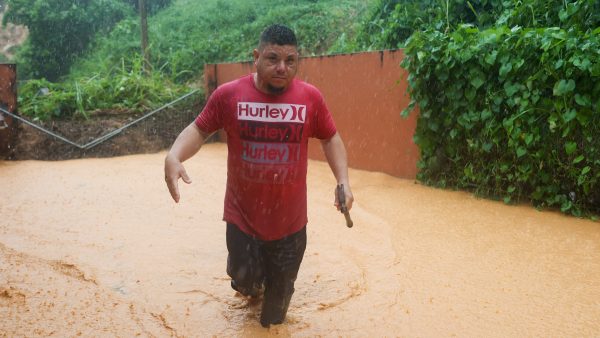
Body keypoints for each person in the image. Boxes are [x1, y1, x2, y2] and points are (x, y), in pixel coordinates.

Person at [164, 24, 353, 328]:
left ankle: (271, 290)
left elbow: (331, 138)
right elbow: (200, 129)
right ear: (256, 56)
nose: (282, 68)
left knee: (273, 321)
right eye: (272, 59)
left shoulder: (310, 99)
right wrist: (174, 155)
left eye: (290, 61)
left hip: (291, 228)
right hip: (243, 222)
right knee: (245, 284)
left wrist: (342, 181)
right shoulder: (229, 95)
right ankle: (248, 279)